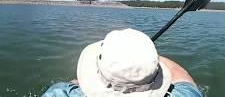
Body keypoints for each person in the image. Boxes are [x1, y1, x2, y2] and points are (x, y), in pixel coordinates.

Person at [42, 28, 203, 97]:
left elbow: (72, 85)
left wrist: (83, 81)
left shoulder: (60, 93)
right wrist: (145, 59)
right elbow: (182, 77)